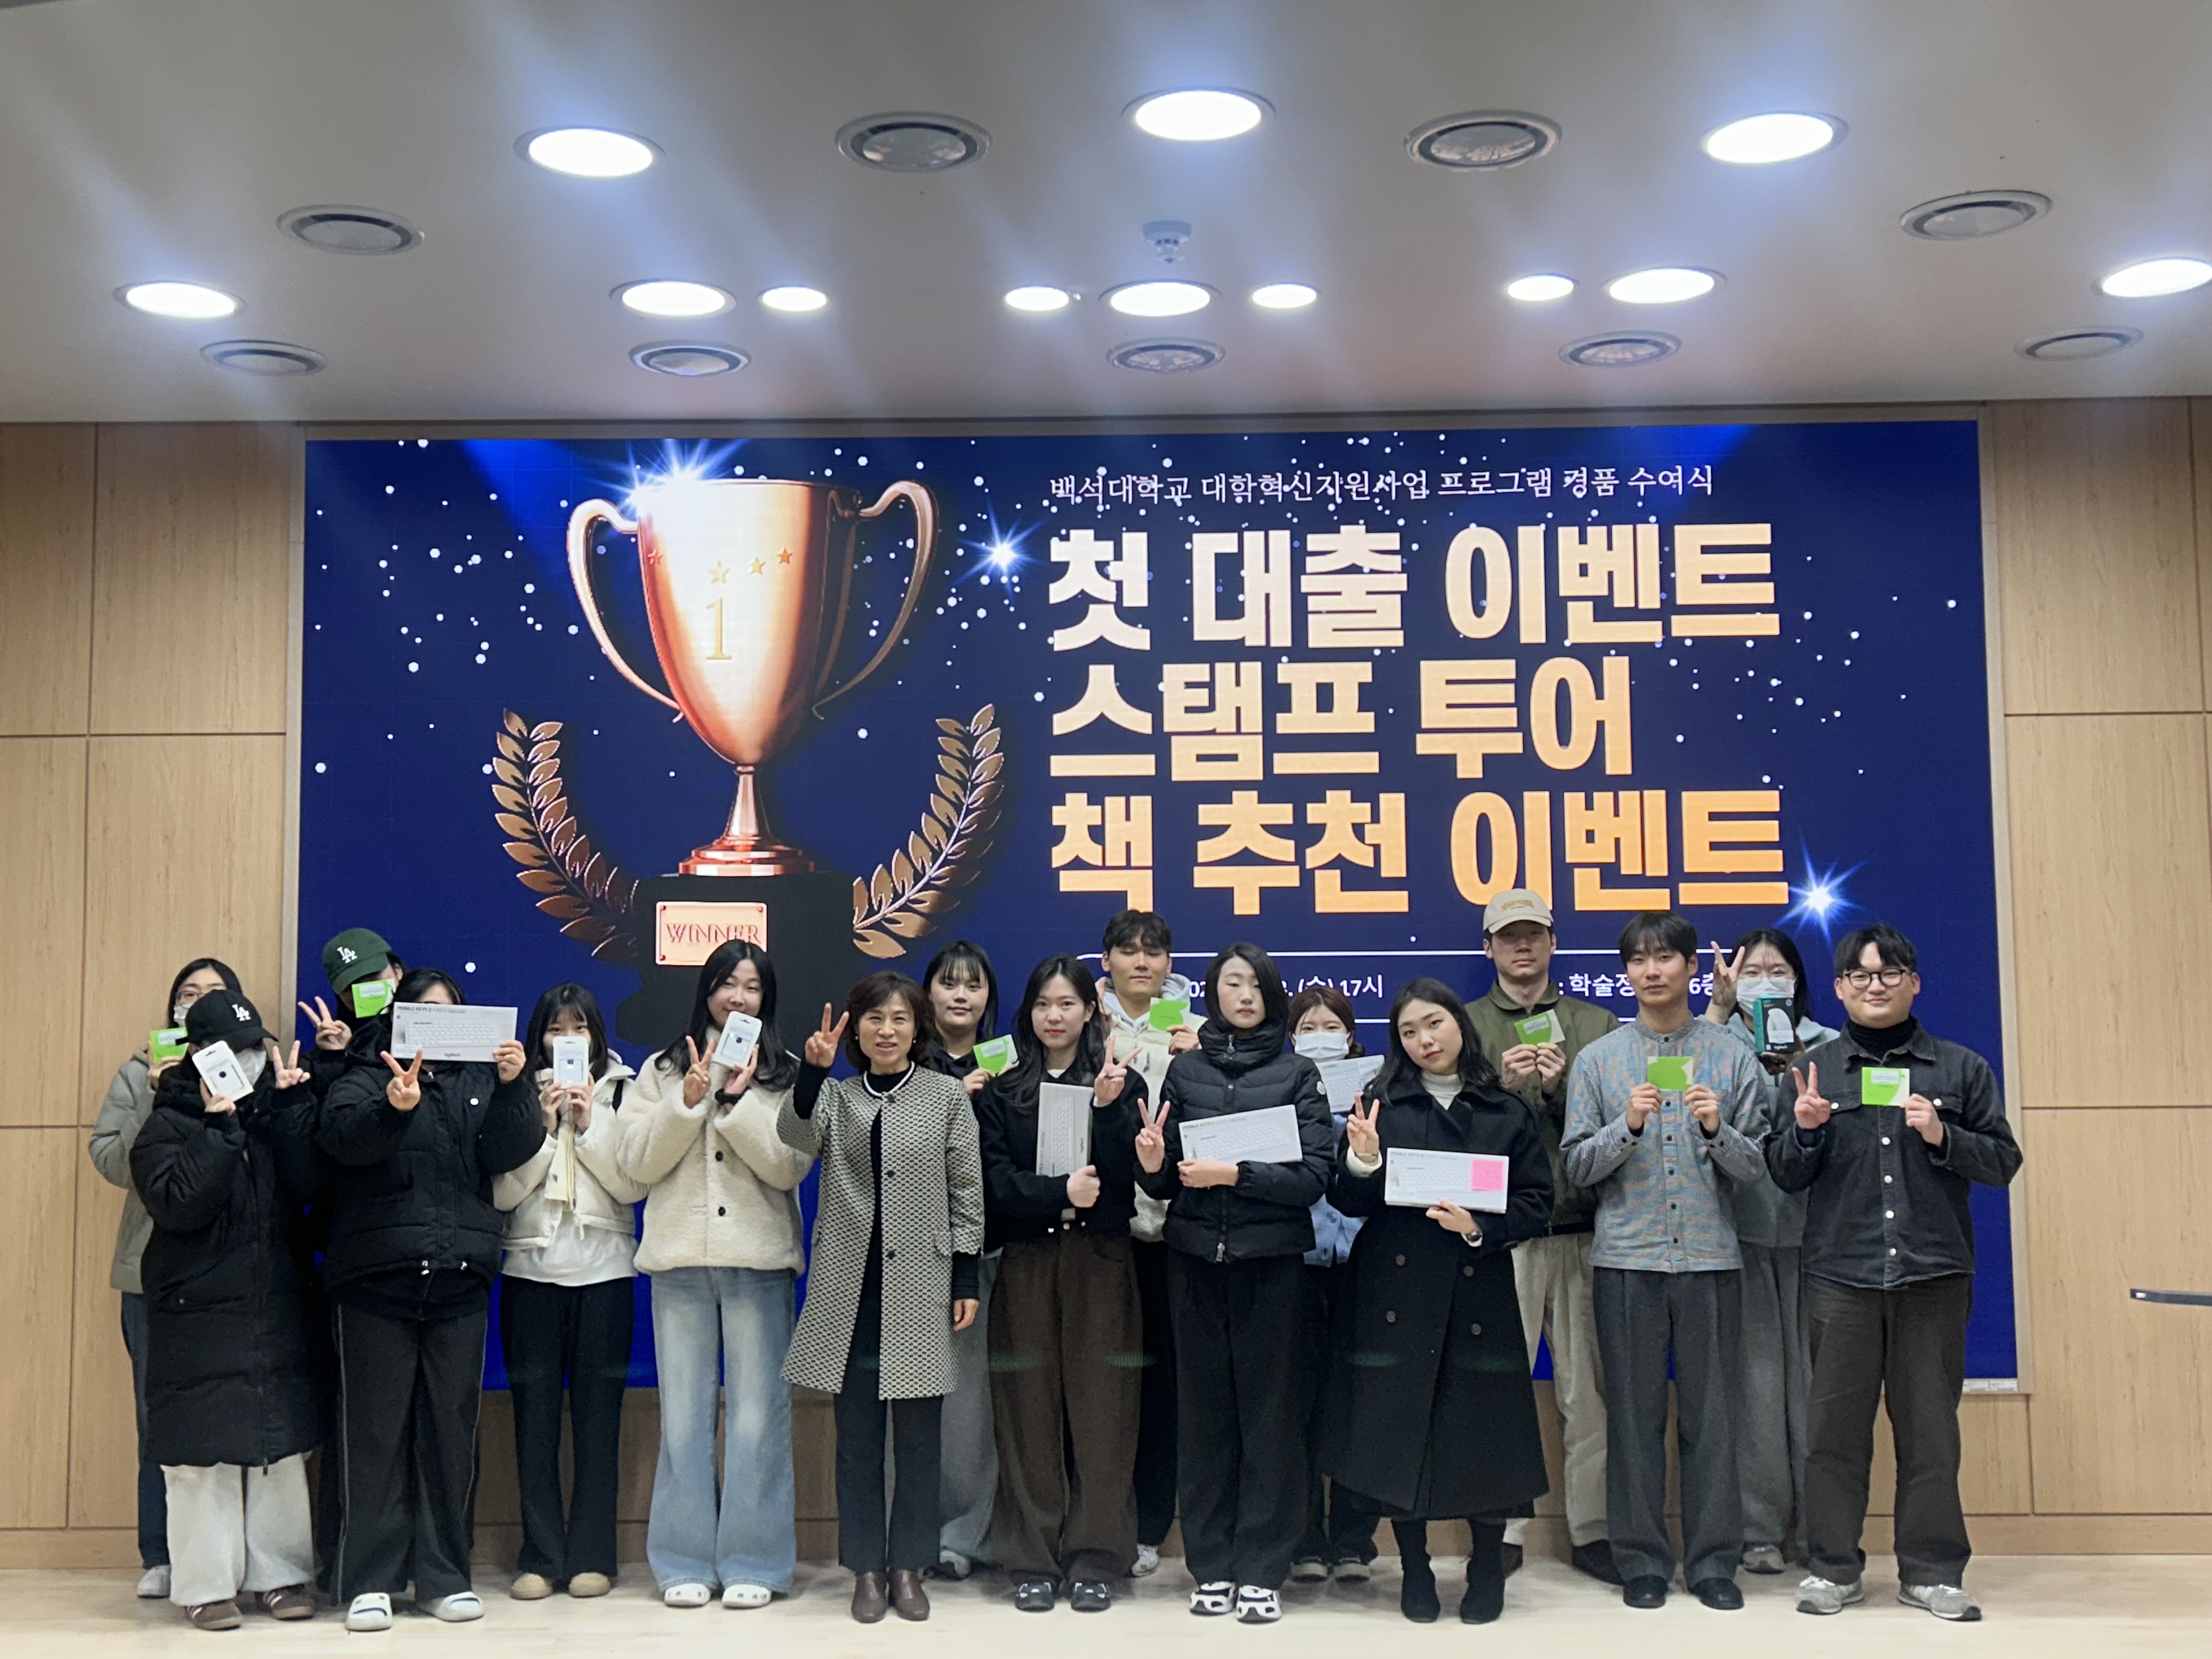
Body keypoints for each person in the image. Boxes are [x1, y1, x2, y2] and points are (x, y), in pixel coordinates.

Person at [1771, 924, 2023, 1623]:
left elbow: (2003, 1162)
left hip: (1932, 1278)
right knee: (1833, 1435)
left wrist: (1944, 1136)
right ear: (1840, 987)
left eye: (1889, 973)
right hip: (1841, 1278)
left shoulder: (1960, 1069)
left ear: (1915, 983)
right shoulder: (1812, 1071)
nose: (1875, 985)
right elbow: (1784, 1174)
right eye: (1860, 974)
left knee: (1931, 1435)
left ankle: (1933, 1573)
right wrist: (1807, 1131)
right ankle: (1832, 1569)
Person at [318, 966, 543, 1633]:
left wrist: (514, 1087)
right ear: (399, 1019)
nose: (439, 1023)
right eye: (425, 1012)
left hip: (459, 1276)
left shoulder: (480, 1079)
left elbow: (509, 1151)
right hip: (375, 1277)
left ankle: (445, 1577)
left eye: (451, 1012)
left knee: (451, 1434)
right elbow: (342, 1140)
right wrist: (395, 1107)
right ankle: (371, 1581)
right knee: (374, 1435)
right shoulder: (364, 1072)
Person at [1326, 979, 1554, 1625]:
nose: (1425, 1040)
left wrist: (1478, 1227)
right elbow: (1348, 1199)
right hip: (1395, 1291)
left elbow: (1537, 1201)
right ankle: (1415, 1567)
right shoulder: (1381, 1103)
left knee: (1484, 1431)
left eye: (1434, 1024)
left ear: (1459, 1024)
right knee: (1402, 1432)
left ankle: (1487, 1567)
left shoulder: (1503, 1107)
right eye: (1408, 1032)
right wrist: (1363, 1160)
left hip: (1478, 1286)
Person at [1561, 912, 1767, 1613]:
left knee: (1713, 1420)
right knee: (1633, 1419)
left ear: (1691, 966)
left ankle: (1713, 1563)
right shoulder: (1600, 1061)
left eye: (1665, 958)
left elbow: (1756, 1166)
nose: (1651, 972)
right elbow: (1577, 1166)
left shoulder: (1731, 1056)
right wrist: (1628, 1126)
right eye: (1638, 961)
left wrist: (1715, 1128)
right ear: (1626, 973)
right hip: (1627, 1260)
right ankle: (1643, 1560)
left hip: (1711, 1259)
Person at [1135, 943, 1333, 1624]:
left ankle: (1263, 1570)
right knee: (1203, 1421)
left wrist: (1236, 1175)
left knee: (1271, 1421)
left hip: (1271, 1265)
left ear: (1271, 994)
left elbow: (1314, 1178)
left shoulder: (1297, 1072)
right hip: (1194, 1260)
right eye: (1231, 984)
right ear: (1213, 994)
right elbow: (1167, 1180)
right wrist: (1153, 1163)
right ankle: (1212, 1566)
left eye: (1254, 985)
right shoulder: (1185, 1071)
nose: (1244, 996)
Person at [778, 974, 984, 1625]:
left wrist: (965, 1278)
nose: (887, 1030)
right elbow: (795, 1135)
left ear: (917, 1028)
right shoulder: (838, 1097)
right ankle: (866, 1568)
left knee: (920, 1442)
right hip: (851, 1293)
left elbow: (966, 1191)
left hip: (922, 1288)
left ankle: (908, 1567)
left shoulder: (945, 1096)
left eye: (899, 1019)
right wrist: (812, 1074)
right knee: (858, 1441)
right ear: (857, 1030)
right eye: (874, 1019)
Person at [617, 940, 812, 1610]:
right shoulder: (662, 1069)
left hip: (759, 1263)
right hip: (679, 1265)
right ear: (707, 992)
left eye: (753, 987)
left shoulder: (785, 1073)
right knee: (683, 1422)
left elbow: (789, 1167)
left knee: (758, 1419)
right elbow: (635, 1165)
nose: (739, 997)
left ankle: (755, 1560)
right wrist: (688, 1101)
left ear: (766, 1000)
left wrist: (736, 1100)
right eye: (728, 983)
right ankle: (683, 1563)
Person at [131, 992, 325, 1630]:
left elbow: (311, 1189)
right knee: (198, 1456)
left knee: (278, 1448)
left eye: (253, 1048)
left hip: (273, 1307)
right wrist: (219, 1128)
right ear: (197, 1055)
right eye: (230, 1051)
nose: (246, 1061)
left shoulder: (272, 1115)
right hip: (194, 1315)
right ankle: (205, 1584)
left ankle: (282, 1574)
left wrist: (292, 1110)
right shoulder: (166, 1124)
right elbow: (180, 1203)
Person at [975, 956, 1148, 1613]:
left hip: (1100, 1261)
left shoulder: (1119, 1080)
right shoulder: (1004, 1089)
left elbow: (1133, 1179)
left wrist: (1107, 1110)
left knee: (1105, 1412)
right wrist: (1057, 1194)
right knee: (1027, 1411)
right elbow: (995, 1185)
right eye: (1044, 1004)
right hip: (1027, 1261)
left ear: (1090, 1011)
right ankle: (1032, 1560)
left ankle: (1097, 1557)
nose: (1055, 1016)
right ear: (1030, 1012)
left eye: (1067, 1004)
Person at [1464, 889, 1621, 1583]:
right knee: (1500, 1391)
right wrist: (1497, 1093)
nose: (1522, 946)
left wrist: (1562, 1093)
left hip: (1585, 1228)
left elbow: (1621, 1126)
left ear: (1554, 943)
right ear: (1488, 948)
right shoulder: (1465, 1025)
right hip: (1505, 1238)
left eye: (1533, 934)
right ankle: (1499, 1529)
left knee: (1589, 1395)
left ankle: (1593, 1532)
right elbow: (1452, 1131)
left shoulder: (1596, 1024)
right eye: (1508, 936)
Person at [88, 956, 241, 1601]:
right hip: (151, 1274)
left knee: (231, 1412)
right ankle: (160, 1552)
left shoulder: (250, 1064)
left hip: (233, 1271)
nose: (198, 1001)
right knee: (158, 1414)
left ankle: (231, 1558)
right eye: (188, 993)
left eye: (214, 992)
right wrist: (156, 1093)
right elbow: (109, 1160)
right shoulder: (138, 1069)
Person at [492, 983, 647, 1601]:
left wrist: (586, 1124)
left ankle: (593, 1556)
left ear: (595, 1036)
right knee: (533, 1422)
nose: (566, 1040)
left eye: (578, 1028)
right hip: (529, 1273)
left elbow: (633, 1186)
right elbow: (502, 1193)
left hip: (605, 1274)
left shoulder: (622, 1091)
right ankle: (539, 1556)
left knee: (598, 1421)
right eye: (555, 1029)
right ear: (539, 1038)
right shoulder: (513, 1092)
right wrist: (543, 1126)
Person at [1703, 928, 1839, 1576]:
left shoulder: (1829, 1045)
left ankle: (1821, 1529)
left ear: (1798, 979)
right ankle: (1758, 1530)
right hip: (1742, 1234)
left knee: (1819, 1388)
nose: (1764, 980)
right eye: (1752, 970)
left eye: (1777, 969)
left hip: (1819, 1240)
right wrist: (1719, 1010)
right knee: (1755, 1389)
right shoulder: (1716, 1042)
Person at [1093, 908, 1200, 1576]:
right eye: (1128, 950)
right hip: (1103, 1229)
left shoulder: (1198, 1028)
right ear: (1106, 960)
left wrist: (1204, 1057)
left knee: (1164, 1388)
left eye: (1153, 952)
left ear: (1168, 963)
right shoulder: (1081, 1024)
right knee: (1099, 1384)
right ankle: (1097, 1519)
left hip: (1176, 1230)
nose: (1142, 962)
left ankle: (1151, 1525)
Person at [1283, 985, 1378, 1585]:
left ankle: (1353, 1539)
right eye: (1309, 1028)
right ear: (1292, 1038)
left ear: (1350, 1035)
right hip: (1296, 1262)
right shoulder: (1280, 1089)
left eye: (1332, 1027)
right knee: (1297, 1402)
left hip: (1364, 1264)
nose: (1321, 1037)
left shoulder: (1378, 1092)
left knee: (1359, 1403)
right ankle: (1303, 1540)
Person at [915, 940, 1001, 1579]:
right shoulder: (905, 1064)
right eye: (950, 983)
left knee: (972, 1406)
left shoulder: (1007, 1063)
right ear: (929, 994)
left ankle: (965, 1538)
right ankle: (910, 1531)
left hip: (985, 1252)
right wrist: (953, 1098)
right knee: (910, 1401)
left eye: (974, 985)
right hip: (912, 1254)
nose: (962, 995)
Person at [298, 928, 405, 1099]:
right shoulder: (333, 1043)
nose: (365, 991)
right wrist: (339, 1056)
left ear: (398, 970)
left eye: (372, 977)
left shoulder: (429, 1023)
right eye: (351, 987)